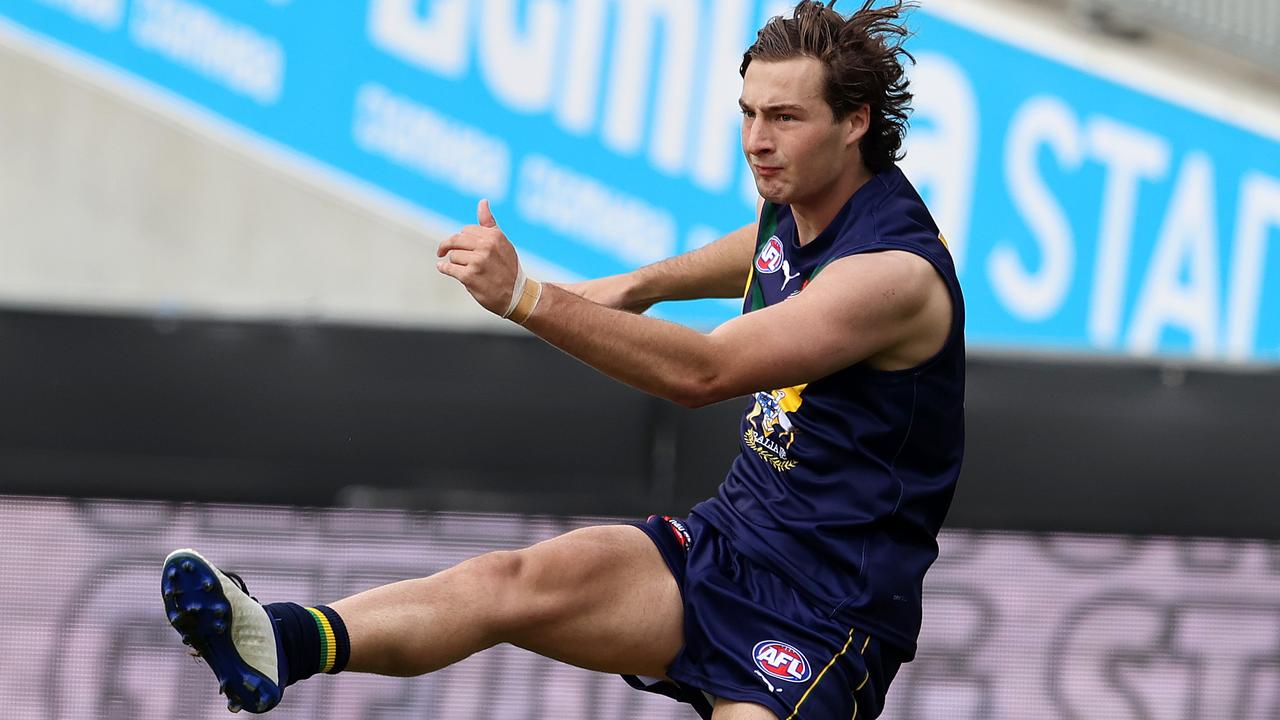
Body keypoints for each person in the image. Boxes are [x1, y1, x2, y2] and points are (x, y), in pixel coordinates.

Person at [160, 1, 964, 718]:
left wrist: (527, 298)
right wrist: (642, 284)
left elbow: (704, 375)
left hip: (827, 611)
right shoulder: (799, 200)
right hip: (727, 547)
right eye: (748, 112)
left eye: (785, 117)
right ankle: (280, 642)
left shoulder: (890, 276)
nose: (758, 140)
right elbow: (762, 249)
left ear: (856, 121)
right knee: (510, 584)